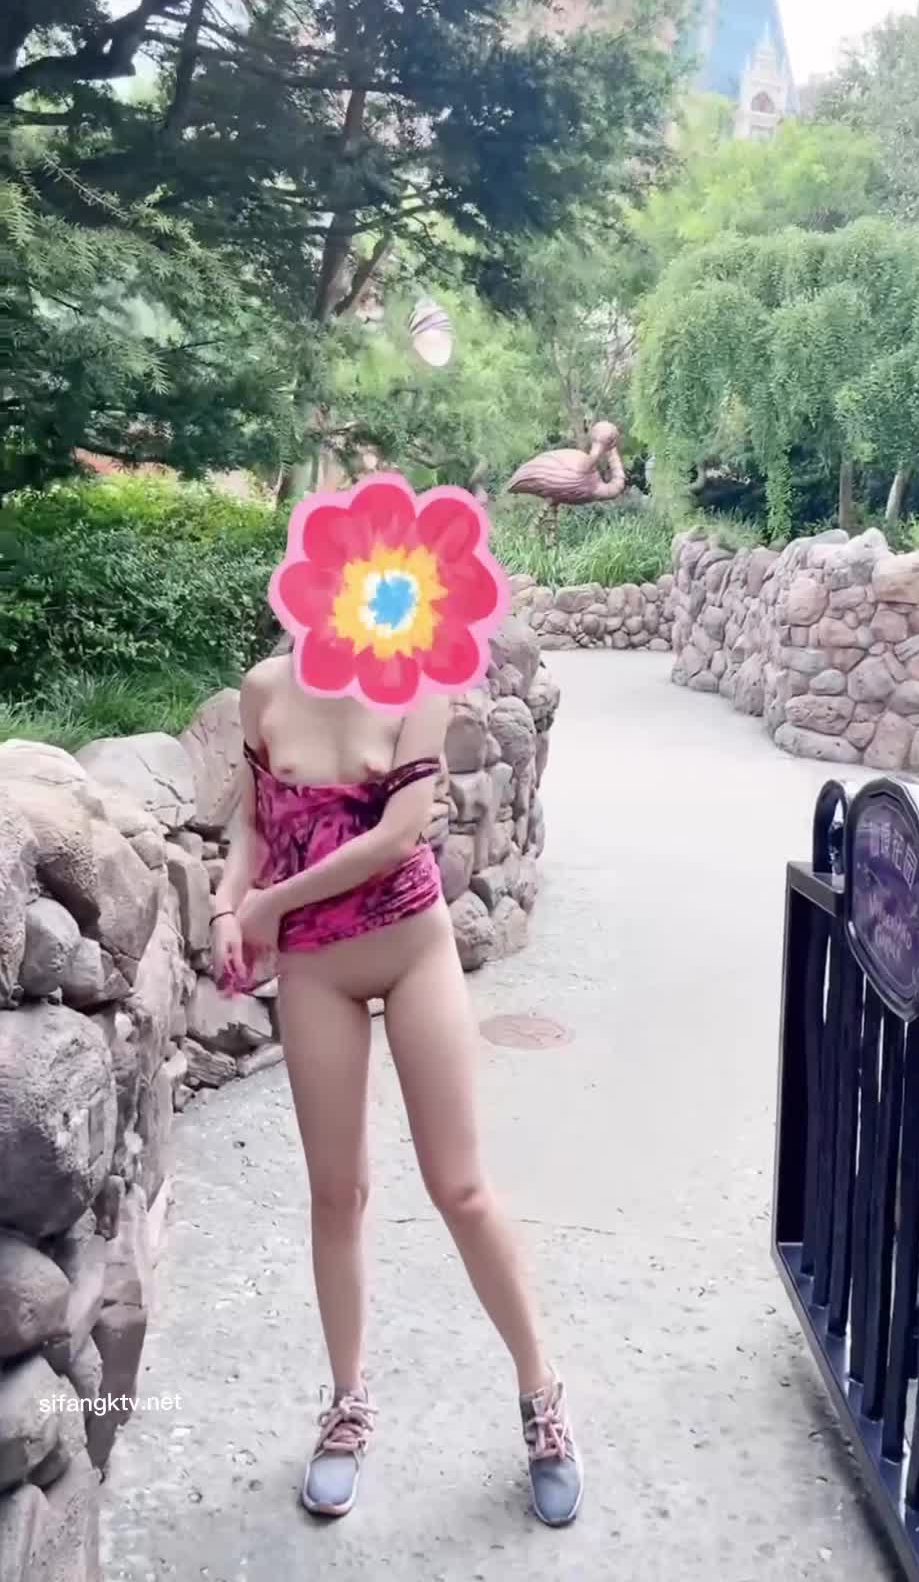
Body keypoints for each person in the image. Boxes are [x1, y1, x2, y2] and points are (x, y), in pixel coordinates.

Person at [210, 644, 582, 1527]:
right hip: (315, 969)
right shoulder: (264, 690)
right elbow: (252, 824)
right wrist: (228, 902)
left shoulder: (414, 686)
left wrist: (268, 905)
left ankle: (543, 1397)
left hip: (412, 948)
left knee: (460, 1187)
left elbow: (396, 836)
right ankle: (347, 1406)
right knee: (335, 1194)